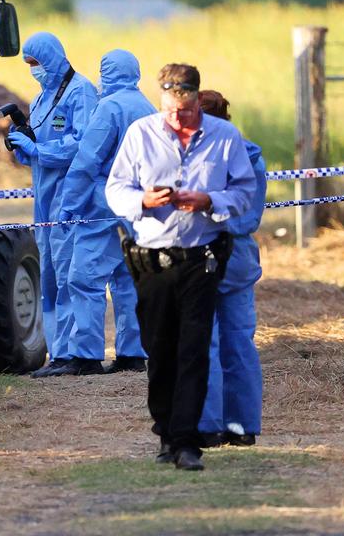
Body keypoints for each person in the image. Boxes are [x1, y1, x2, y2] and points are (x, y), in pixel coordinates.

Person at [105, 64, 258, 472]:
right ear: (162, 101)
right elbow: (115, 189)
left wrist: (209, 201)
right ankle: (166, 432)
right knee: (160, 350)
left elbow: (245, 191)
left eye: (185, 111)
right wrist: (142, 202)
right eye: (171, 111)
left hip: (200, 259)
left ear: (196, 101)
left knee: (194, 349)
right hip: (152, 261)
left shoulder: (225, 138)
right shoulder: (141, 134)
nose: (177, 119)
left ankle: (188, 442)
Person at [54, 49, 156, 376]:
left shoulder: (109, 107)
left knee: (84, 278)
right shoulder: (148, 107)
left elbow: (87, 161)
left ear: (107, 72)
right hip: (140, 205)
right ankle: (132, 353)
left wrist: (70, 205)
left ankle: (85, 355)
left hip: (103, 205)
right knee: (130, 278)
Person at [6, 32, 98, 377]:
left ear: (53, 57)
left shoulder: (82, 92)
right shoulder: (41, 98)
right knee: (50, 273)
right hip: (44, 196)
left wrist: (40, 151)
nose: (34, 70)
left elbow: (83, 144)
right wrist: (25, 147)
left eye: (37, 63)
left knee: (69, 271)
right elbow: (42, 149)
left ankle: (75, 353)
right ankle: (58, 352)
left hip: (69, 196)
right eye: (29, 64)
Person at [194, 91, 267, 448]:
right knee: (240, 343)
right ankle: (243, 426)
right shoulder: (250, 155)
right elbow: (248, 215)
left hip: (199, 258)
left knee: (204, 342)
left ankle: (208, 427)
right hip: (239, 260)